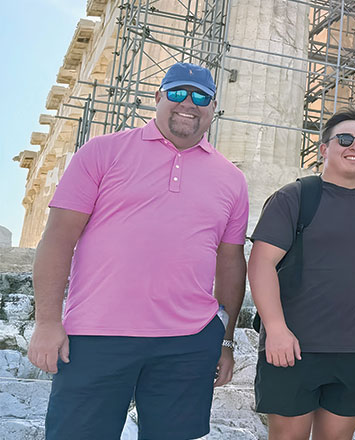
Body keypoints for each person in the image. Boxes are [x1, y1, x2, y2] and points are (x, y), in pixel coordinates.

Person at [27, 62, 249, 440]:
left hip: (188, 343)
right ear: (158, 97)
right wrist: (47, 322)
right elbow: (58, 238)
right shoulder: (102, 151)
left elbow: (230, 261)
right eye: (177, 93)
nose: (188, 103)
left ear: (213, 108)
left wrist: (224, 341)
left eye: (201, 97)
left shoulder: (232, 179)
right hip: (97, 336)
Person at [248, 110, 355, 439]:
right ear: (324, 148)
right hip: (294, 345)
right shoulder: (294, 196)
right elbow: (260, 263)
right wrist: (276, 329)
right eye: (345, 139)